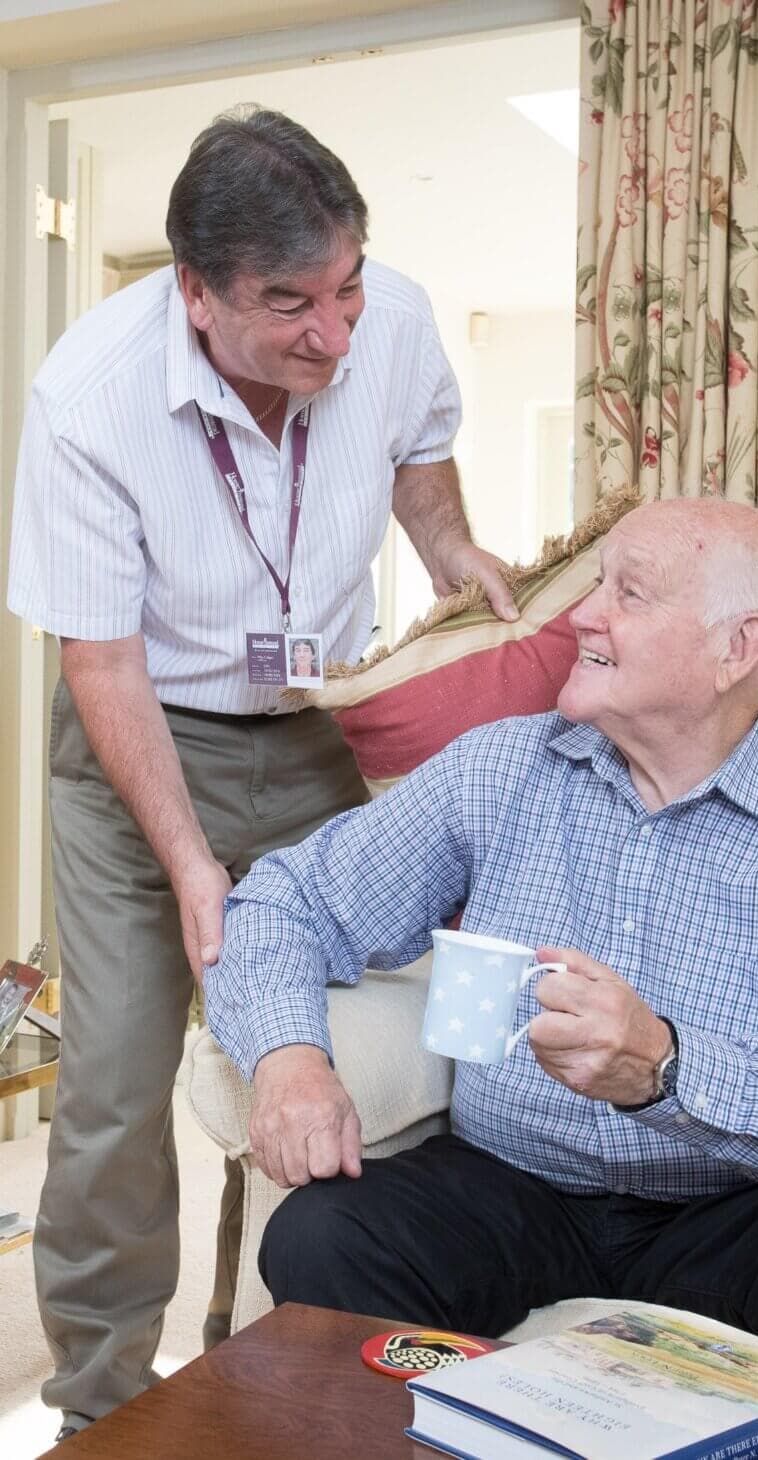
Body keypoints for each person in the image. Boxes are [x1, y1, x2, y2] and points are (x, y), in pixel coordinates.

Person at [205, 498, 758, 1425]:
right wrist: (289, 1056)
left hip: (744, 1205)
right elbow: (284, 901)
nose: (582, 615)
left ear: (735, 648)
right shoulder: (501, 769)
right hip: (515, 1184)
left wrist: (672, 1070)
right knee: (326, 1235)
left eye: (629, 593)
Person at [6, 105, 516, 1442]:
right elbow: (102, 667)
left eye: (346, 288)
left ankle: (305, 1360)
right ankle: (102, 1403)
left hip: (314, 728)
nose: (334, 335)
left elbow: (421, 474)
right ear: (197, 294)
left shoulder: (387, 322)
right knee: (115, 1087)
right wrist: (185, 863)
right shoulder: (91, 401)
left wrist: (458, 562)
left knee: (342, 1042)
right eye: (291, 304)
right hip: (141, 744)